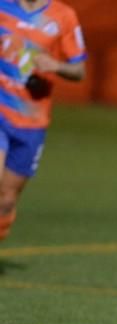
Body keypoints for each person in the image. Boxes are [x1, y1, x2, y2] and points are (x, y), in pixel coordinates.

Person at [0, 0, 87, 242]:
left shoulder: (63, 16)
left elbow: (79, 70)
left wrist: (55, 65)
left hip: (31, 121)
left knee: (6, 200)